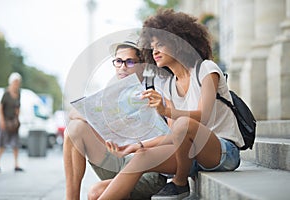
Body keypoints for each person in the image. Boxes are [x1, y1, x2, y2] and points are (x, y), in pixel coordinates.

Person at [89, 8, 245, 200]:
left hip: (222, 151)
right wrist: (136, 146)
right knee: (134, 162)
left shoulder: (206, 69)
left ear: (179, 42)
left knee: (182, 123)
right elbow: (174, 136)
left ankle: (180, 183)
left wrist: (168, 110)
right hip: (191, 155)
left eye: (161, 44)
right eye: (152, 46)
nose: (154, 51)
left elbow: (203, 116)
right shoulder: (169, 84)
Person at [63, 40, 167, 200]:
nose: (122, 67)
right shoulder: (112, 93)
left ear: (142, 65)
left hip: (146, 168)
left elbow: (173, 134)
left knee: (96, 193)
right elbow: (73, 113)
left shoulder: (156, 87)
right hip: (117, 159)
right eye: (118, 61)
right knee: (75, 128)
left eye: (130, 61)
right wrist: (98, 119)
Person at [0, 72, 24, 172]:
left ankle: (16, 164)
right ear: (11, 82)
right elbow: (0, 107)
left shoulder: (18, 93)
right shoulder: (6, 93)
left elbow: (18, 107)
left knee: (15, 144)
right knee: (2, 144)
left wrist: (18, 118)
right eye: (15, 82)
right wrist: (2, 120)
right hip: (5, 121)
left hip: (13, 122)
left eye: (18, 82)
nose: (17, 84)